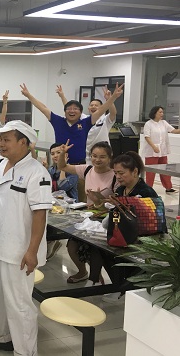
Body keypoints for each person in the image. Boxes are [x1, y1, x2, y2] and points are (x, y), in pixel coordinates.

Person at [0, 120, 52, 354]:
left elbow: (40, 214)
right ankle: (2, 337)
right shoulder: (1, 165)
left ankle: (25, 351)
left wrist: (32, 251)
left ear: (23, 142)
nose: (0, 143)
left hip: (19, 250)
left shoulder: (37, 173)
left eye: (6, 140)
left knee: (19, 304)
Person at [88, 152, 159, 293]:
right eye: (115, 173)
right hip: (124, 235)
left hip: (143, 239)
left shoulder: (146, 192)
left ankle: (123, 287)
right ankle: (113, 284)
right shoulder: (121, 190)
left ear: (135, 172)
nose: (118, 177)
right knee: (97, 247)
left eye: (121, 173)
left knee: (111, 251)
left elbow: (149, 221)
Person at [20, 82, 123, 164]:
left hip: (80, 164)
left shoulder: (86, 122)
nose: (72, 111)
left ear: (81, 112)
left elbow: (101, 110)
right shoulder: (58, 121)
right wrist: (28, 95)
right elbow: (43, 108)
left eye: (75, 109)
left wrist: (113, 97)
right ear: (64, 112)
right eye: (69, 109)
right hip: (61, 163)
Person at [57, 141, 116, 284]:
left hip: (106, 220)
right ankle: (82, 272)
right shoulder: (88, 169)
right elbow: (62, 166)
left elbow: (118, 204)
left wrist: (100, 201)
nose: (97, 160)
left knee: (94, 248)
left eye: (102, 157)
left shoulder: (115, 176)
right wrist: (63, 153)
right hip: (89, 217)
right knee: (72, 245)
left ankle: (97, 277)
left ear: (110, 157)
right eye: (94, 156)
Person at [143, 105, 180, 192]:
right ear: (154, 113)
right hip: (152, 151)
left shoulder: (164, 123)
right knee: (151, 172)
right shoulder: (148, 124)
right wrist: (154, 147)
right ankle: (149, 189)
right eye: (160, 112)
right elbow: (147, 137)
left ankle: (168, 187)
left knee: (165, 169)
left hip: (162, 151)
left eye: (162, 112)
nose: (162, 114)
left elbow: (174, 131)